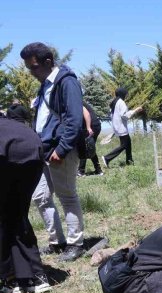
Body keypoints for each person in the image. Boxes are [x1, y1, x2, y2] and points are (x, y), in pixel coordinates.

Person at [22, 42, 87, 262]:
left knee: (67, 196)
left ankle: (75, 243)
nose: (31, 73)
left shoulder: (67, 82)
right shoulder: (45, 84)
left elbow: (74, 120)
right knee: (40, 197)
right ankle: (56, 241)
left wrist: (62, 148)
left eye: (34, 67)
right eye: (29, 68)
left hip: (60, 151)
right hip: (42, 150)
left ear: (48, 62)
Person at [0, 112, 52, 293]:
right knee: (17, 215)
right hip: (33, 156)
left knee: (5, 218)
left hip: (7, 157)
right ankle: (34, 277)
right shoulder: (12, 124)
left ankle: (9, 278)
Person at [103, 88, 142, 168]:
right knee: (124, 145)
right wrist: (135, 110)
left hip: (117, 127)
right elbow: (124, 115)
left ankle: (129, 161)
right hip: (121, 127)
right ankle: (107, 158)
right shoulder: (121, 102)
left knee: (128, 144)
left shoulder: (114, 102)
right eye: (126, 94)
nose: (126, 96)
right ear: (122, 94)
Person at [78, 102, 103, 176]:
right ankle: (98, 170)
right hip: (95, 125)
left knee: (85, 146)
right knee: (90, 148)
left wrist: (88, 127)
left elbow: (87, 114)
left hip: (92, 126)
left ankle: (81, 171)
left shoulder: (76, 101)